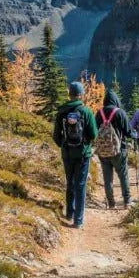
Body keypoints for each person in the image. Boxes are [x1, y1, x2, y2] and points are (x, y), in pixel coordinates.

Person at [52, 80, 97, 228]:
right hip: (83, 153)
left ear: (69, 94)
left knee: (69, 181)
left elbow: (56, 136)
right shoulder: (86, 111)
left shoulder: (62, 111)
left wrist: (64, 145)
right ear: (81, 95)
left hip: (67, 152)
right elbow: (93, 134)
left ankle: (69, 212)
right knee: (80, 184)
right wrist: (86, 144)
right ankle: (78, 220)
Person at [94, 89, 134, 210]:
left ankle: (111, 203)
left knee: (107, 178)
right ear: (116, 100)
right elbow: (128, 132)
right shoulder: (120, 113)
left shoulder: (98, 113)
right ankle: (127, 201)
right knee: (123, 175)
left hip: (103, 151)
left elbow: (94, 130)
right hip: (118, 150)